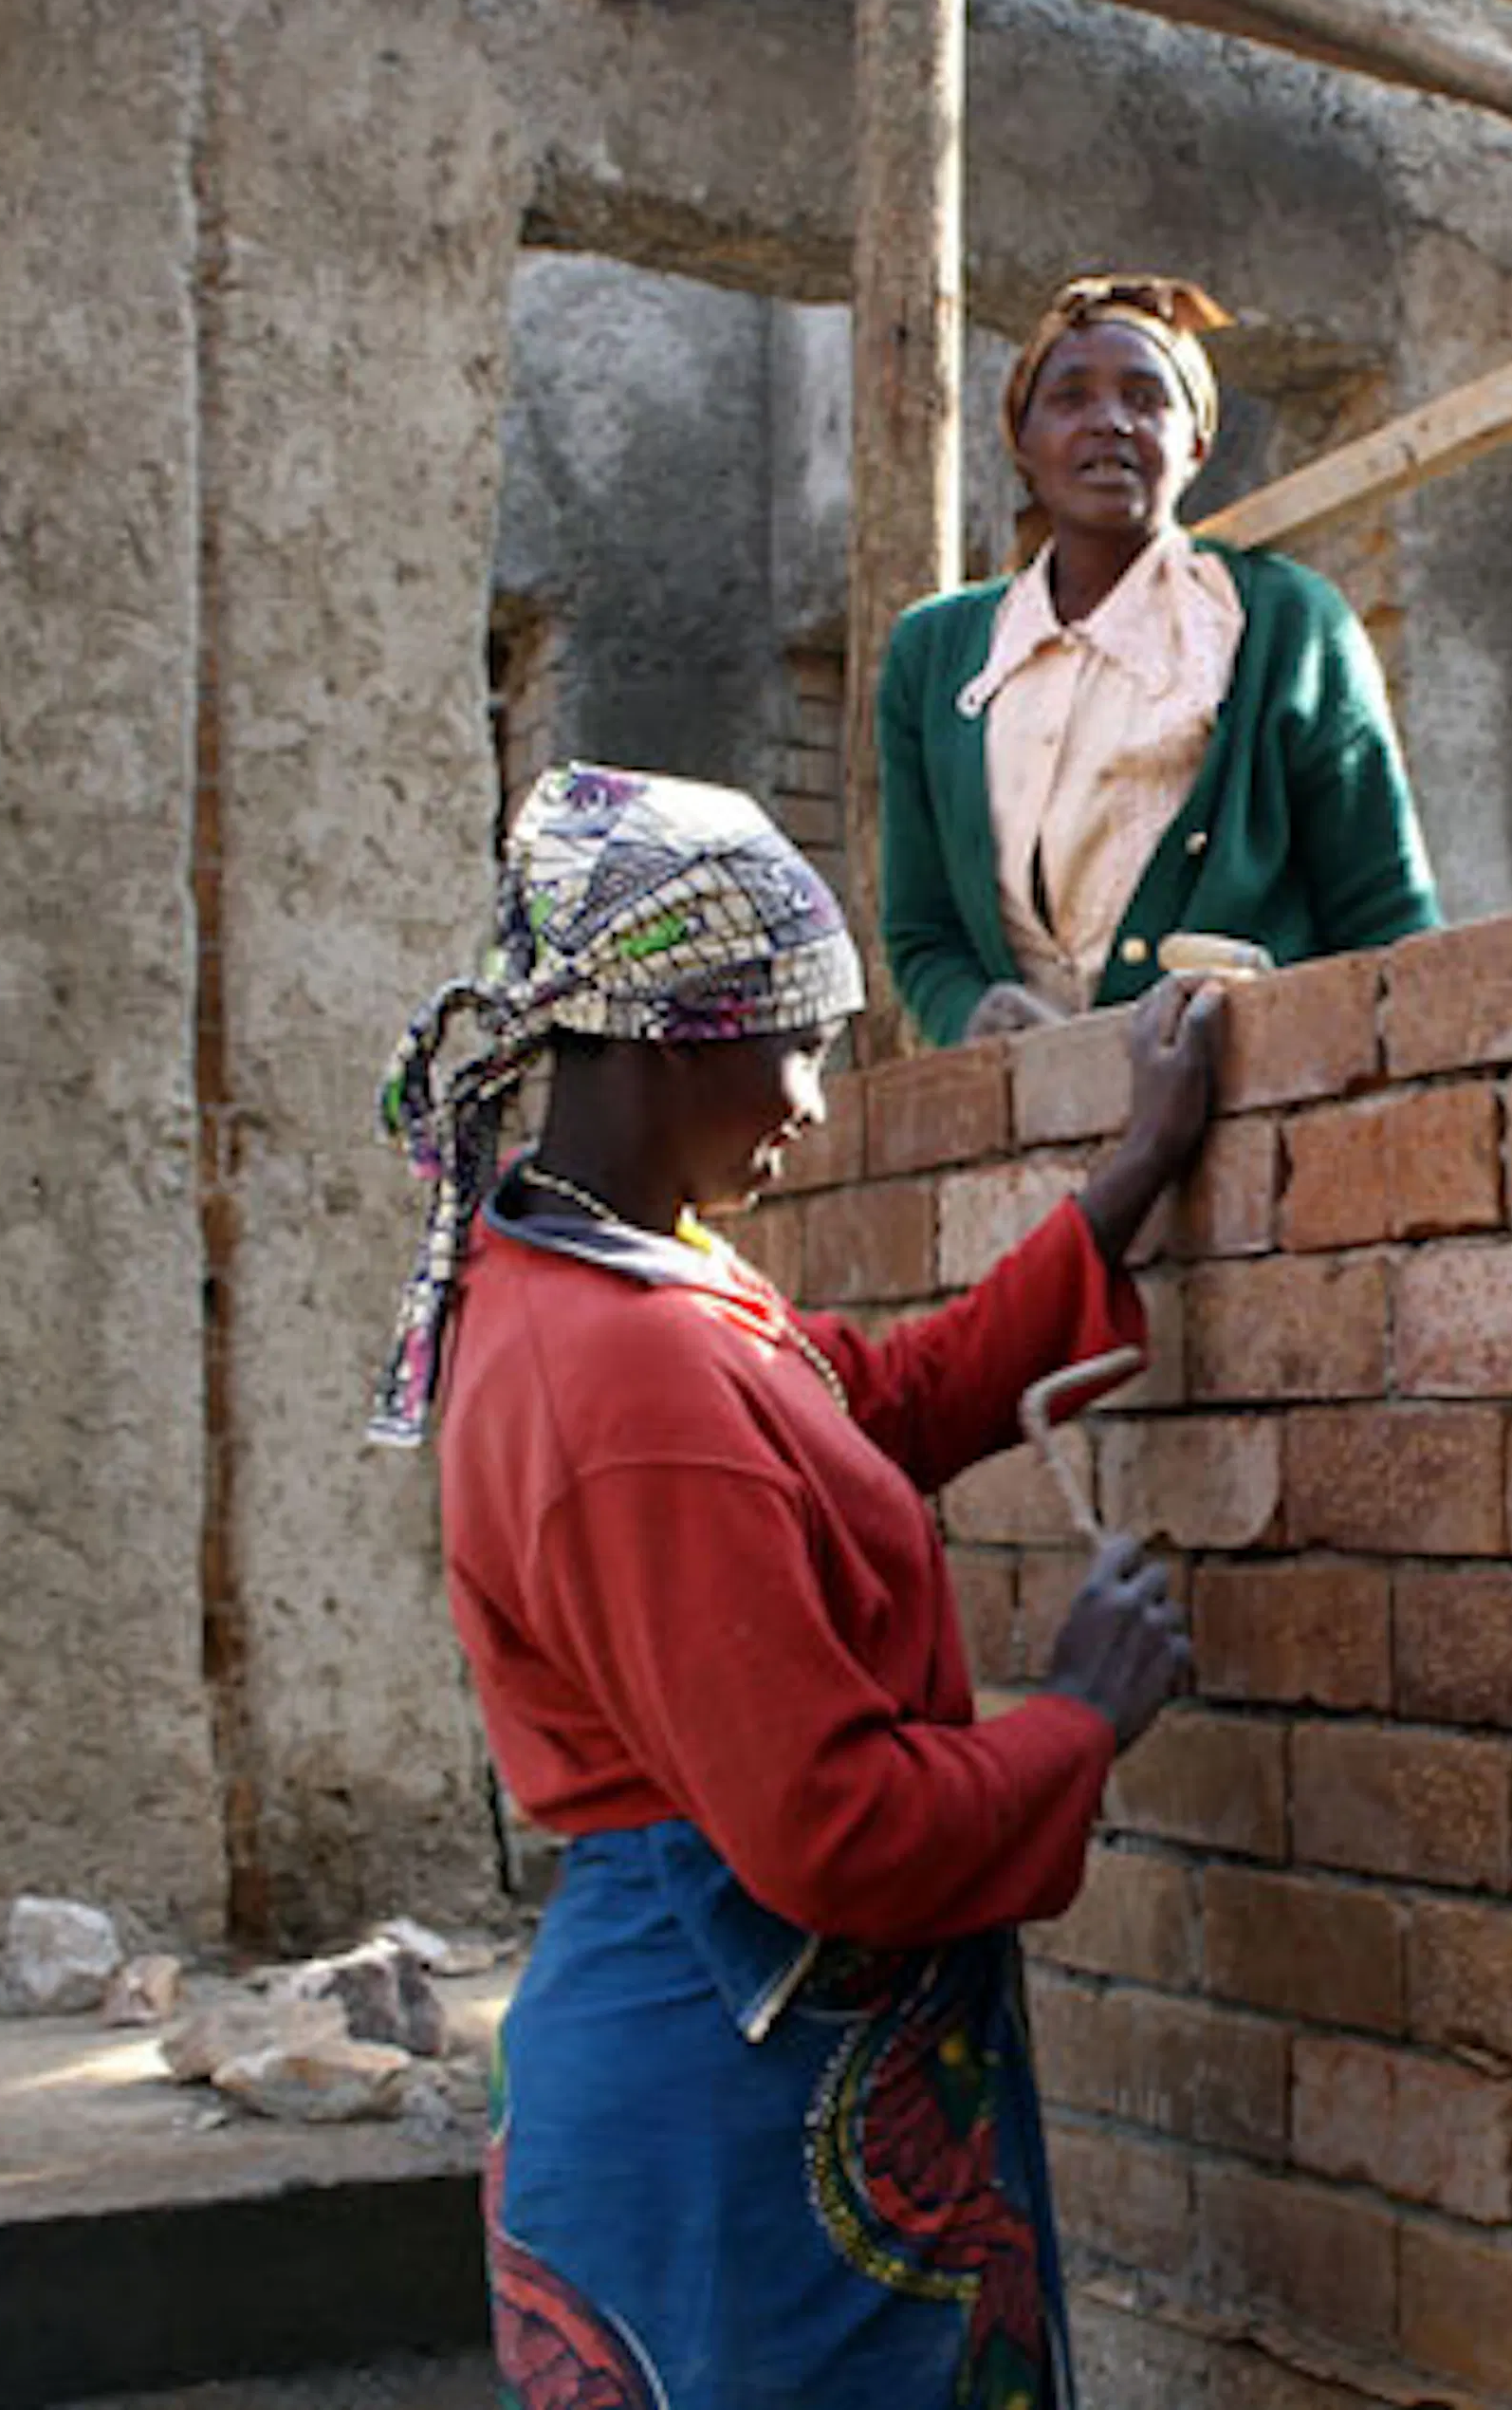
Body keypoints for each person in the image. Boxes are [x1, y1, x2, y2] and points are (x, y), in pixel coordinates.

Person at [370, 759, 1224, 2408]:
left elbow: (869, 1409)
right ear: (655, 1041)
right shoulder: (622, 1379)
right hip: (730, 2098)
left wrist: (1130, 1174)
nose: (816, 1101)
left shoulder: (616, 1273)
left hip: (742, 2050)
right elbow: (828, 1823)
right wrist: (1080, 1715)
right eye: (794, 1042)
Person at [878, 272, 1442, 1047]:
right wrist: (968, 1015)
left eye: (1147, 398)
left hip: (1267, 1104)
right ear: (1023, 440)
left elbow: (1385, 912)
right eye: (1070, 397)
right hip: (1025, 1124)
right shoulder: (935, 653)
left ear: (1197, 441)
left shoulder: (1282, 623)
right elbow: (922, 929)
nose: (1110, 421)